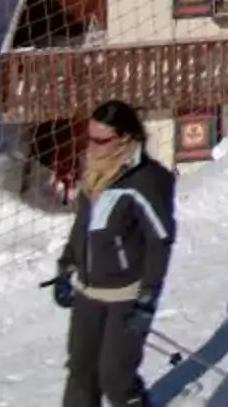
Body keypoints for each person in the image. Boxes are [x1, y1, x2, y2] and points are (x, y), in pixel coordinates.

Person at [49, 98, 176, 407]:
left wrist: (148, 298)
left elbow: (160, 240)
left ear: (124, 138)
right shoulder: (95, 174)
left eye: (101, 140)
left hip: (126, 295)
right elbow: (83, 227)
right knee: (81, 372)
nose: (93, 146)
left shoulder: (146, 180)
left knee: (115, 377)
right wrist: (66, 268)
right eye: (89, 137)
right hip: (88, 293)